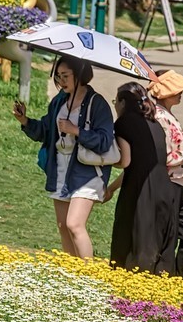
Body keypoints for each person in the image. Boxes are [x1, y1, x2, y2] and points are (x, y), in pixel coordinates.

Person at [13, 58, 115, 259]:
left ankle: (88, 273)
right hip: (61, 168)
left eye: (66, 76)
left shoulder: (97, 104)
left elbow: (104, 141)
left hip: (87, 172)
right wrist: (24, 120)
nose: (61, 81)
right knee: (63, 226)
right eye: (58, 76)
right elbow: (45, 131)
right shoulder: (59, 101)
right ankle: (72, 270)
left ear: (80, 74)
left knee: (74, 224)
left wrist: (76, 131)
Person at [104, 82, 179, 274]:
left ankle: (127, 286)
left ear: (122, 102)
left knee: (132, 241)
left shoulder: (124, 123)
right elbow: (140, 166)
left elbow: (126, 162)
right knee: (154, 242)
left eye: (115, 101)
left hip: (140, 192)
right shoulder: (154, 124)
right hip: (164, 188)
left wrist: (104, 160)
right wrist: (112, 188)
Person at [149, 71, 183, 277]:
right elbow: (161, 155)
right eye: (177, 90)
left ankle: (175, 277)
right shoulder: (159, 117)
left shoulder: (167, 115)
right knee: (168, 237)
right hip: (168, 183)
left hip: (178, 184)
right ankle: (166, 278)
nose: (181, 93)